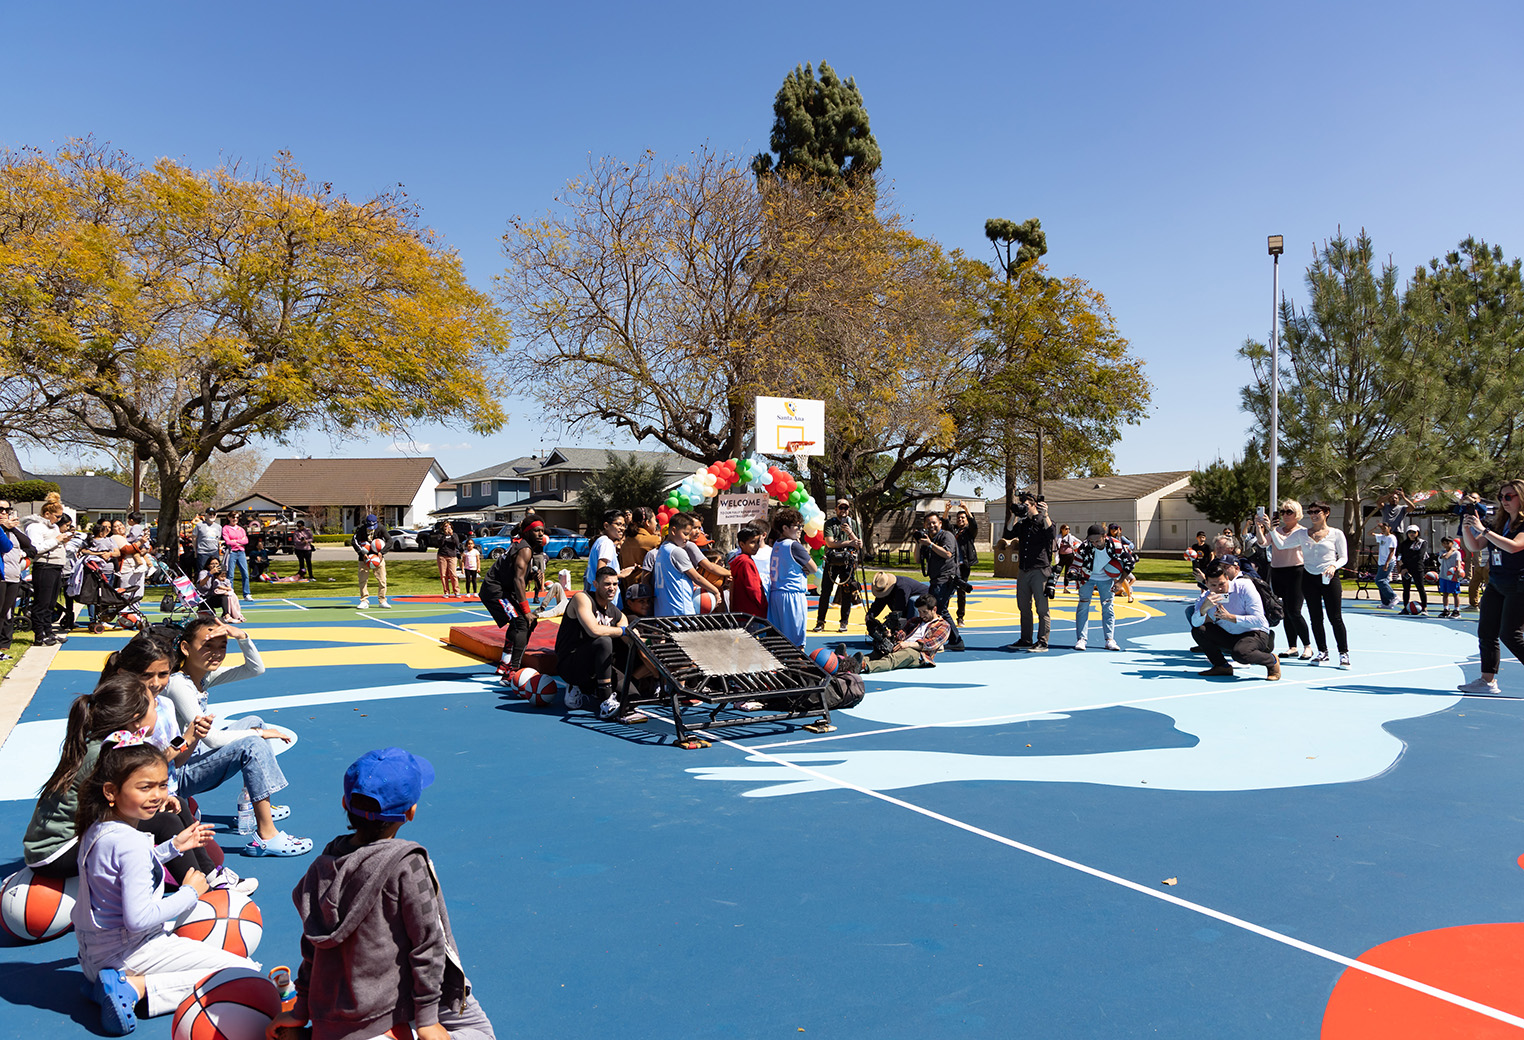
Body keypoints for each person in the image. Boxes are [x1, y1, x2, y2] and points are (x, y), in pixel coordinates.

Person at [269, 747, 496, 1040]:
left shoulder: (323, 866)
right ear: (410, 813)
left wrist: (300, 1009)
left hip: (338, 1008)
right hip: (384, 1008)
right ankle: (393, 1035)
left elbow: (311, 945)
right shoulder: (408, 864)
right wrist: (427, 1021)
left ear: (344, 803)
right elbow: (428, 945)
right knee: (479, 1032)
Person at [73, 737, 259, 1036]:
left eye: (161, 785)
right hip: (130, 952)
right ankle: (134, 987)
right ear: (111, 791)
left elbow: (118, 873)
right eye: (144, 787)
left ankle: (103, 985)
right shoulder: (130, 841)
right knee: (245, 971)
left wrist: (172, 847)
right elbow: (138, 919)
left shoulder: (97, 829)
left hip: (94, 955)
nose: (157, 795)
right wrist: (190, 893)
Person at [164, 618, 312, 857]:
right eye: (208, 646)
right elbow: (210, 739)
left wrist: (242, 637)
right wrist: (260, 734)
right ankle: (267, 836)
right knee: (253, 742)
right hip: (176, 772)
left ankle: (255, 806)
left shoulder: (200, 677)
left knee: (254, 721)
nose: (216, 653)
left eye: (222, 646)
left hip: (191, 757)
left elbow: (255, 669)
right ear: (185, 648)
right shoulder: (178, 684)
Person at [1260, 502, 1349, 666]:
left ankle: (1344, 653)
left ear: (1326, 513)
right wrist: (1270, 528)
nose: (1314, 515)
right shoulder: (1302, 533)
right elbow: (1282, 544)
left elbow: (1344, 557)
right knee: (1316, 618)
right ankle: (1323, 652)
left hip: (1329, 578)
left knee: (1335, 617)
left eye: (1317, 512)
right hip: (1309, 578)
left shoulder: (1336, 533)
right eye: (1311, 512)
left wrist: (1333, 566)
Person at [1457, 479, 1524, 695]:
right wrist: (1468, 527)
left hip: (1518, 584)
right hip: (1496, 582)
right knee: (1486, 632)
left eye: (1508, 496)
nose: (1503, 501)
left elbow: (1514, 547)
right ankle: (1487, 681)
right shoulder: (1499, 523)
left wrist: (1483, 531)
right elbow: (1475, 546)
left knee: (1510, 634)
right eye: (1501, 497)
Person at [559, 566, 644, 723]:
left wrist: (645, 641)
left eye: (615, 584)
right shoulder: (582, 598)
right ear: (595, 584)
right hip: (571, 663)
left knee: (633, 698)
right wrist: (624, 631)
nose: (611, 588)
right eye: (606, 584)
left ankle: (589, 688)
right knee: (603, 640)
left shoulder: (616, 612)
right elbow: (593, 630)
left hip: (597, 665)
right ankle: (604, 700)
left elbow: (630, 639)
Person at [1189, 560, 1280, 681]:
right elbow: (1195, 623)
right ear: (1206, 583)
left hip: (1254, 633)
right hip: (1230, 635)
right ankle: (1222, 666)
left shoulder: (1244, 587)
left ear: (1227, 578)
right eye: (1213, 585)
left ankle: (1272, 661)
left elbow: (1259, 620)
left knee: (1240, 654)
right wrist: (1204, 609)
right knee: (1199, 630)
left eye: (1222, 584)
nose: (1219, 589)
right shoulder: (1206, 597)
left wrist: (1231, 617)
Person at [478, 519, 548, 674]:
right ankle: (512, 671)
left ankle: (506, 664)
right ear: (527, 532)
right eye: (537, 530)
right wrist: (526, 609)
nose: (541, 534)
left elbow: (516, 574)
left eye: (542, 530)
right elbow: (518, 580)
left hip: (501, 589)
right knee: (523, 622)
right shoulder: (525, 549)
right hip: (495, 590)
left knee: (525, 623)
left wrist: (532, 576)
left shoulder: (522, 545)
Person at [1000, 494, 1056, 653]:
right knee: (1023, 606)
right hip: (1024, 570)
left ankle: (1043, 642)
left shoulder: (1043, 521)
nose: (1022, 506)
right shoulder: (1023, 523)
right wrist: (1014, 515)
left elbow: (1051, 534)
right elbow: (1008, 534)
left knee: (1042, 608)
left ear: (1033, 505)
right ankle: (1026, 639)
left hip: (1040, 570)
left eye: (1024, 504)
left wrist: (1045, 515)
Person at [844, 595, 951, 674]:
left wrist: (907, 644)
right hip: (900, 646)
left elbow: (931, 644)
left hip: (919, 654)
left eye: (925, 612)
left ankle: (863, 666)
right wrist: (889, 635)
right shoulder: (915, 620)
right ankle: (846, 663)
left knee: (892, 659)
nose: (921, 615)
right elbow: (902, 633)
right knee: (877, 653)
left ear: (934, 609)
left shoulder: (944, 626)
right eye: (919, 611)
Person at [23, 491, 69, 646]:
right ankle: (39, 634)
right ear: (47, 513)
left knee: (50, 602)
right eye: (57, 517)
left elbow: (55, 543)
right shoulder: (35, 527)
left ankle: (48, 631)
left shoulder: (53, 527)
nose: (59, 520)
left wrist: (63, 540)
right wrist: (56, 540)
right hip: (44, 566)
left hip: (56, 566)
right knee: (41, 602)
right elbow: (36, 548)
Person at [1270, 501, 1314, 661]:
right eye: (1283, 512)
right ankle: (1292, 647)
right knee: (1286, 612)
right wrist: (1260, 527)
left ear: (1297, 514)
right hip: (1277, 571)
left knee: (1295, 611)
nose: (1285, 515)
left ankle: (1307, 646)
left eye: (1289, 511)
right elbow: (1262, 543)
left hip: (1296, 572)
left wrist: (1271, 530)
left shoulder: (1303, 532)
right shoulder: (1276, 530)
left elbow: (1282, 546)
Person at [652, 513, 718, 618]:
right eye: (685, 534)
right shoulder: (676, 551)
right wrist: (715, 590)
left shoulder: (662, 549)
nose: (688, 538)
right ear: (673, 531)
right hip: (680, 611)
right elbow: (696, 577)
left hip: (664, 611)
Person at [1071, 524, 1126, 651]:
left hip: (1106, 579)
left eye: (1097, 540)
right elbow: (1076, 564)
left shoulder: (1116, 545)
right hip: (1087, 577)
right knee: (1083, 605)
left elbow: (1130, 561)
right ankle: (1081, 639)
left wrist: (1120, 582)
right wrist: (1073, 573)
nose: (1094, 543)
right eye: (1092, 541)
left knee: (1108, 606)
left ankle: (1109, 639)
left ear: (1104, 536)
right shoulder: (1084, 546)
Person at [767, 508, 816, 647]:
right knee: (797, 641)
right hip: (792, 595)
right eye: (797, 526)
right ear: (785, 528)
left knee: (779, 640)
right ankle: (798, 666)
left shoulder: (776, 544)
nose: (801, 529)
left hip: (776, 594)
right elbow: (813, 568)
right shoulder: (794, 545)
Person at [916, 512, 965, 652]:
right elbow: (918, 560)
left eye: (934, 523)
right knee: (939, 610)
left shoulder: (946, 536)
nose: (931, 526)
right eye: (928, 523)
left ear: (940, 523)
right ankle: (950, 639)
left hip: (946, 579)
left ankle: (956, 640)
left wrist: (930, 544)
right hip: (936, 579)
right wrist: (918, 543)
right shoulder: (928, 539)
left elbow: (948, 554)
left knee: (940, 610)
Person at [813, 498, 862, 633]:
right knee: (825, 593)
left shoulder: (854, 524)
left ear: (849, 509)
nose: (843, 511)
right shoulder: (830, 523)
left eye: (846, 508)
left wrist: (850, 533)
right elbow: (830, 543)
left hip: (848, 563)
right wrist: (850, 543)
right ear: (836, 509)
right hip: (832, 562)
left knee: (847, 592)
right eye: (841, 508)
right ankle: (820, 622)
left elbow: (859, 545)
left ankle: (843, 622)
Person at [585, 510, 633, 605]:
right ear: (606, 526)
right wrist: (621, 575)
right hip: (606, 597)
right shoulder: (606, 543)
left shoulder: (600, 541)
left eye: (624, 525)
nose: (622, 528)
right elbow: (601, 571)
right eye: (618, 524)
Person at [726, 524, 768, 619]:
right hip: (751, 611)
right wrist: (763, 604)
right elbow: (753, 588)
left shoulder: (737, 559)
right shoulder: (746, 562)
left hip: (740, 609)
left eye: (757, 542)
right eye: (752, 542)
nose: (756, 546)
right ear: (742, 544)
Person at [352, 513, 392, 609]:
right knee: (362, 579)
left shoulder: (381, 528)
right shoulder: (361, 529)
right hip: (364, 558)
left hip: (378, 558)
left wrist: (382, 552)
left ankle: (382, 600)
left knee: (382, 579)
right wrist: (362, 553)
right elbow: (354, 541)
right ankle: (364, 600)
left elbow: (390, 541)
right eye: (369, 526)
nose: (371, 528)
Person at [950, 504, 980, 625]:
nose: (960, 520)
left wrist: (967, 510)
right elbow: (945, 522)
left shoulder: (969, 532)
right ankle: (941, 613)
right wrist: (947, 509)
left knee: (961, 591)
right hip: (952, 565)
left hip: (964, 566)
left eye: (963, 518)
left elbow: (974, 524)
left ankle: (960, 617)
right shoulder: (952, 530)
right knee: (948, 590)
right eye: (958, 518)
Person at [197, 557, 245, 622]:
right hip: (205, 598)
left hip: (215, 597)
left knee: (226, 596)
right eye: (212, 564)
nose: (214, 566)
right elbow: (201, 584)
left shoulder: (219, 574)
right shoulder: (204, 572)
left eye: (216, 563)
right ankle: (226, 616)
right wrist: (210, 574)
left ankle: (227, 615)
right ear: (208, 565)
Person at [1396, 524, 1429, 616]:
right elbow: (1400, 556)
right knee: (1406, 588)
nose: (1411, 534)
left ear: (1418, 533)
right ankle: (1405, 607)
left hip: (1418, 568)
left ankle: (1424, 608)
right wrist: (1403, 567)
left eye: (1414, 532)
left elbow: (1419, 556)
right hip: (1406, 569)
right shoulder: (1404, 544)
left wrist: (1407, 562)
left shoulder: (1422, 543)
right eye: (1410, 532)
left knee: (1420, 587)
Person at [221, 512, 252, 600]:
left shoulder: (241, 529)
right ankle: (231, 591)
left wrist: (235, 541)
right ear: (229, 518)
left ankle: (246, 594)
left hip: (241, 552)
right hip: (232, 552)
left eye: (237, 518)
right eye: (233, 517)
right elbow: (228, 541)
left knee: (245, 573)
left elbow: (246, 540)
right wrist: (238, 541)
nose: (235, 519)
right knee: (230, 574)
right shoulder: (226, 528)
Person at [1371, 520, 1399, 610]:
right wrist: (1376, 527)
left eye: (1385, 528)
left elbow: (1392, 552)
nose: (1383, 530)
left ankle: (1393, 596)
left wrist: (1387, 563)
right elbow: (1369, 533)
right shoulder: (1381, 537)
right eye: (1382, 528)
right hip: (1381, 562)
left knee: (1379, 581)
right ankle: (1385, 602)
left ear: (1389, 528)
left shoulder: (1391, 538)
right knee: (1383, 582)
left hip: (1388, 561)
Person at [1436, 536, 1464, 618]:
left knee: (1455, 593)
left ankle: (1456, 610)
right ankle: (1446, 609)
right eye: (1444, 543)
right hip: (1443, 576)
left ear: (1452, 543)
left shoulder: (1457, 553)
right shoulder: (1442, 552)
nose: (1446, 545)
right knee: (1445, 593)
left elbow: (1458, 562)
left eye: (1448, 543)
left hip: (1453, 576)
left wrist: (1458, 570)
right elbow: (1445, 557)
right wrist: (1452, 550)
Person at [1056, 524, 1081, 593]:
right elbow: (1054, 545)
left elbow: (1079, 542)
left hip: (1070, 556)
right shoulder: (1058, 537)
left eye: (1068, 529)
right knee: (1058, 570)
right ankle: (1053, 585)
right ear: (1062, 529)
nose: (1068, 530)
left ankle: (1065, 587)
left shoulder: (1071, 537)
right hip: (1061, 556)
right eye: (1066, 529)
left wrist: (1076, 547)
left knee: (1067, 571)